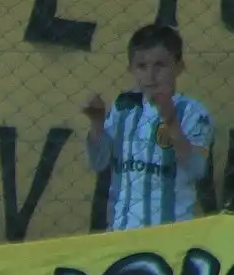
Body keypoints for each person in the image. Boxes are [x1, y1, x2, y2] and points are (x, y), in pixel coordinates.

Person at [83, 24, 214, 231]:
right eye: (141, 66)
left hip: (171, 231)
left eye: (160, 65)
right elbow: (99, 163)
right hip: (121, 230)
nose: (150, 75)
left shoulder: (193, 112)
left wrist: (171, 123)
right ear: (131, 69)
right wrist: (97, 122)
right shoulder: (124, 106)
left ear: (179, 66)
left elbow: (196, 170)